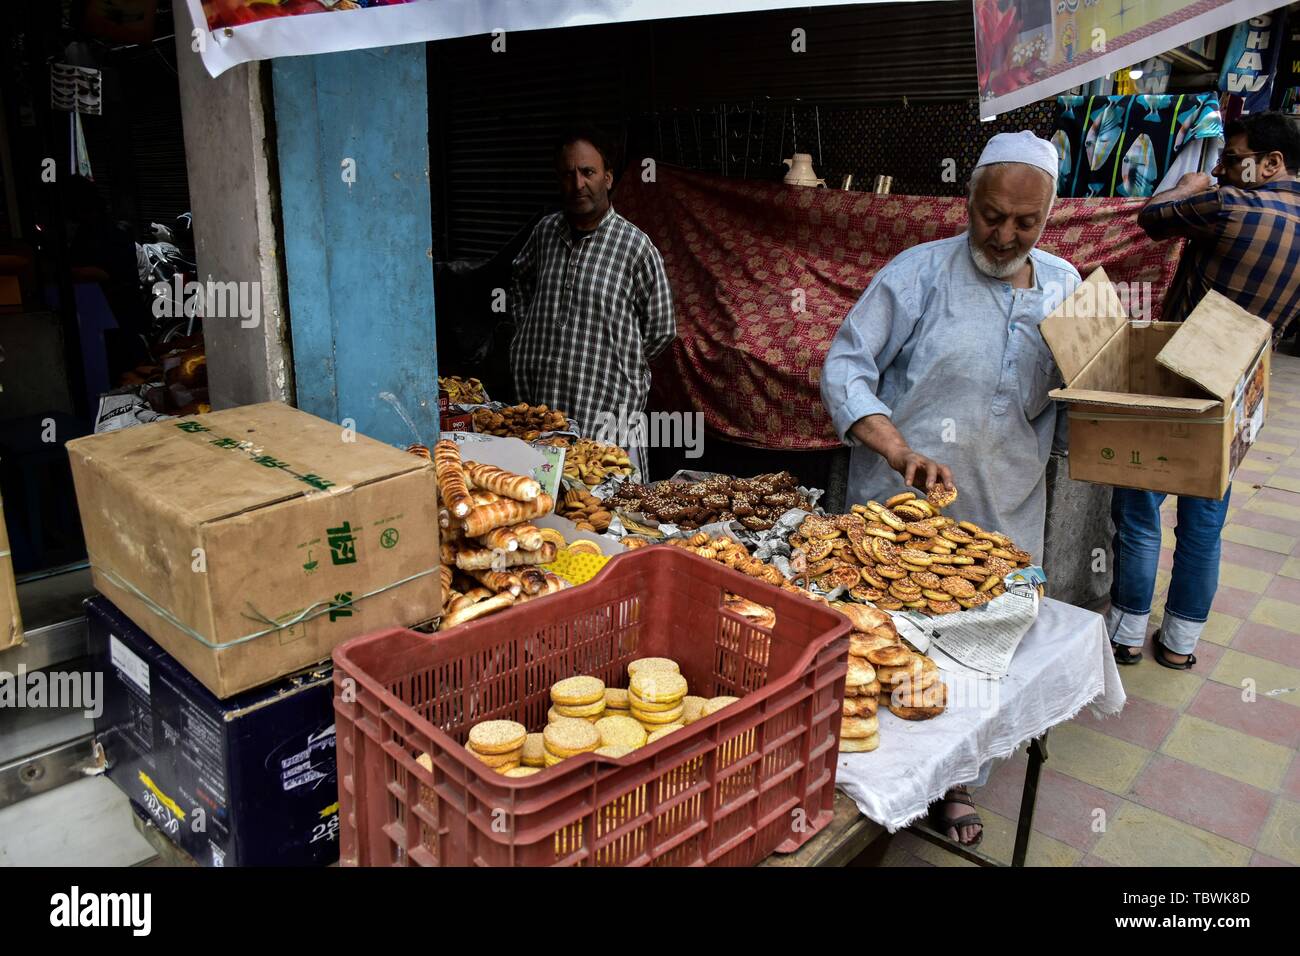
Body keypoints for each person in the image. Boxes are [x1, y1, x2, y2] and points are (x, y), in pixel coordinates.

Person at [821, 131, 1080, 846]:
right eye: (991, 215)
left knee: (974, 663)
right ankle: (861, 784)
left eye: (1025, 223)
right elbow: (845, 368)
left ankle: (954, 780)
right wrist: (899, 449)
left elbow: (1076, 406)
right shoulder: (918, 274)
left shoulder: (1068, 289)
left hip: (1007, 515)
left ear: (1048, 217)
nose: (1003, 235)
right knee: (882, 651)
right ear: (967, 201)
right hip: (898, 515)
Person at [1109, 111, 1300, 670]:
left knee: (1141, 506)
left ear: (1272, 163)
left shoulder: (1229, 205)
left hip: (1176, 379)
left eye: (1231, 156)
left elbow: (1154, 217)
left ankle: (1124, 636)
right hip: (1241, 387)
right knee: (1204, 522)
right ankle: (1179, 645)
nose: (1220, 166)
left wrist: (1190, 184)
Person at [510, 127, 675, 475]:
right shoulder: (545, 233)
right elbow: (519, 277)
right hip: (545, 414)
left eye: (588, 172)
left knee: (609, 522)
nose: (578, 184)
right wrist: (527, 332)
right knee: (546, 516)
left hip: (607, 421)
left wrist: (619, 359)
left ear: (608, 177)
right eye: (568, 174)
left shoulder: (635, 248)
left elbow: (661, 329)